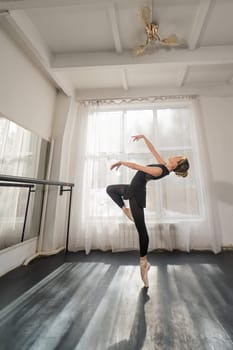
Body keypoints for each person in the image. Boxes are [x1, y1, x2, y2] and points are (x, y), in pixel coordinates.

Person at [106, 135, 189, 288]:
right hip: (132, 189)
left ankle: (144, 262)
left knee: (141, 230)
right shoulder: (164, 166)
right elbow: (153, 150)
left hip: (136, 196)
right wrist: (144, 137)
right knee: (110, 190)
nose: (175, 155)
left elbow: (138, 167)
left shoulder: (159, 170)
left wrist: (122, 162)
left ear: (176, 164)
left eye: (178, 157)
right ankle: (125, 210)